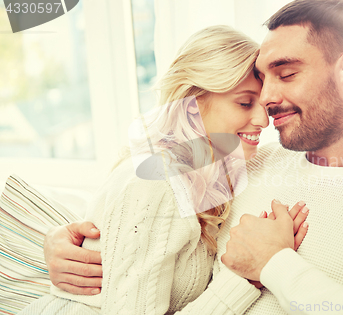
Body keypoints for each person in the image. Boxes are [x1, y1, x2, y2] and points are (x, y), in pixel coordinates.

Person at [43, 0, 343, 314]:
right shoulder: (247, 159)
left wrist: (275, 265)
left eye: (285, 74)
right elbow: (136, 197)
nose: (266, 101)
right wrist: (68, 241)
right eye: (260, 82)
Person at [19, 25, 309, 315]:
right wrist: (245, 277)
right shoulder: (156, 183)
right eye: (244, 103)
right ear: (193, 106)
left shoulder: (207, 178)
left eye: (263, 105)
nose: (263, 120)